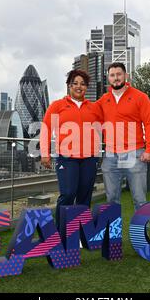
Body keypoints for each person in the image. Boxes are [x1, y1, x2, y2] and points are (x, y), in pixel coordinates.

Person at [40, 69, 103, 228]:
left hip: (89, 158)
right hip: (66, 158)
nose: (78, 86)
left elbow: (106, 127)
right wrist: (44, 153)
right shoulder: (57, 105)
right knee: (68, 194)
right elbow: (46, 128)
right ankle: (60, 233)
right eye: (75, 83)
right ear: (69, 86)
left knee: (84, 197)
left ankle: (79, 233)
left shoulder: (94, 107)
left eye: (82, 84)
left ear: (86, 87)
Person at [96, 62, 150, 210]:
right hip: (111, 155)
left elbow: (149, 122)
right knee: (111, 200)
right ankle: (112, 233)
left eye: (119, 74)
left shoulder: (140, 97)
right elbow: (89, 117)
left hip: (135, 153)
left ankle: (141, 234)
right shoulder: (103, 100)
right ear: (108, 78)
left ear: (125, 76)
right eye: (112, 75)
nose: (116, 78)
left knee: (140, 200)